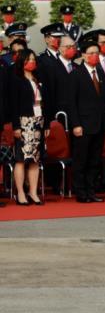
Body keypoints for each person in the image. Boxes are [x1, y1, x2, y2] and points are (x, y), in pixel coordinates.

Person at [64, 39, 105, 204]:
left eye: (96, 53)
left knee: (95, 160)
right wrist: (76, 124)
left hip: (100, 124)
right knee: (81, 160)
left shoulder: (100, 73)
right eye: (91, 53)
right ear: (83, 55)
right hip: (83, 125)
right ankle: (81, 192)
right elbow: (71, 102)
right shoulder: (76, 74)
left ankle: (91, 191)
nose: (94, 56)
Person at [9, 50, 46, 205]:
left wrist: (46, 123)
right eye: (29, 59)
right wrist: (16, 126)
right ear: (22, 61)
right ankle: (20, 193)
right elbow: (13, 105)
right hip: (24, 122)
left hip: (38, 121)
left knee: (35, 159)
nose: (32, 62)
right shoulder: (16, 80)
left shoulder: (38, 78)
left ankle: (33, 192)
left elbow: (45, 101)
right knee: (21, 159)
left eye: (33, 59)